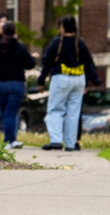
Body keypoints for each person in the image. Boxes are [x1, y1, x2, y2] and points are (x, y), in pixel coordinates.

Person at [38, 15, 100, 151]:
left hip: (61, 78)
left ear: (63, 27)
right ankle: (71, 144)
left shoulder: (56, 42)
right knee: (73, 112)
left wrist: (41, 80)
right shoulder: (80, 42)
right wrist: (95, 80)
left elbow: (47, 62)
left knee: (55, 109)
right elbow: (89, 63)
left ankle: (56, 140)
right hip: (79, 79)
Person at [0, 21, 36, 149]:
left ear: (3, 32)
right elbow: (30, 64)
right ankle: (9, 140)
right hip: (16, 84)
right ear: (15, 32)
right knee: (10, 113)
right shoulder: (20, 47)